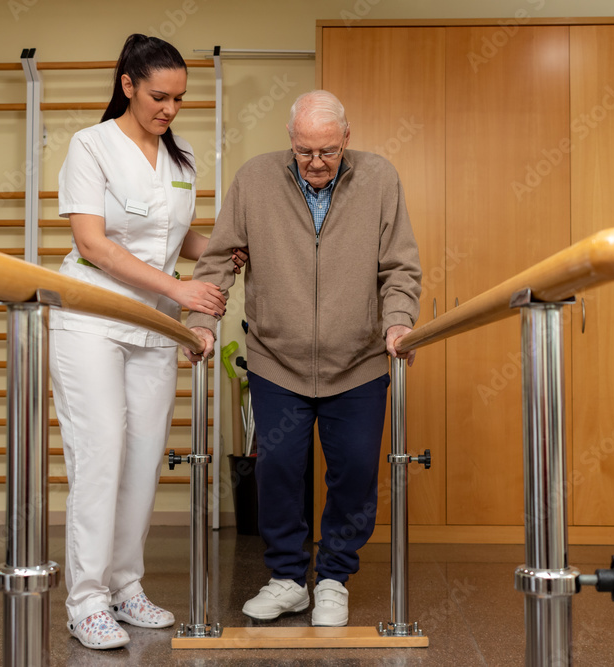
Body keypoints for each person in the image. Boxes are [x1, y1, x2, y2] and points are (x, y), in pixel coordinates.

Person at [185, 90, 422, 627]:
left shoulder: (379, 179)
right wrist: (201, 323)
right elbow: (220, 258)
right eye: (305, 151)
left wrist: (398, 318)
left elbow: (400, 265)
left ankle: (334, 577)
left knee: (357, 473)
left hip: (358, 360)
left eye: (328, 152)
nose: (316, 163)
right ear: (290, 140)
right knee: (279, 473)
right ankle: (289, 579)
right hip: (277, 359)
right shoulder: (254, 179)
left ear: (346, 139)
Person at [50, 34, 243, 650]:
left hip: (155, 324)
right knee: (100, 451)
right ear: (128, 85)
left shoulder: (180, 155)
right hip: (93, 318)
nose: (169, 109)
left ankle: (126, 587)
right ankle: (86, 601)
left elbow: (173, 235)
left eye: (180, 99)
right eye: (159, 96)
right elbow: (95, 244)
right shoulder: (92, 145)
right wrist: (184, 294)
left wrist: (227, 249)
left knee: (142, 462)